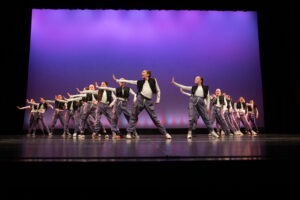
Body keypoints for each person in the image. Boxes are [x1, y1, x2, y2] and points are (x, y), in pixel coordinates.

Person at [112, 70, 172, 139]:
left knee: (154, 118)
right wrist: (117, 80)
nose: (142, 73)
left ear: (148, 74)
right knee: (133, 116)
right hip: (140, 99)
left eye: (143, 72)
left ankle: (165, 133)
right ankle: (129, 133)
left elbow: (158, 90)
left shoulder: (153, 80)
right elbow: (131, 81)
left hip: (148, 101)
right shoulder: (140, 82)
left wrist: (158, 99)